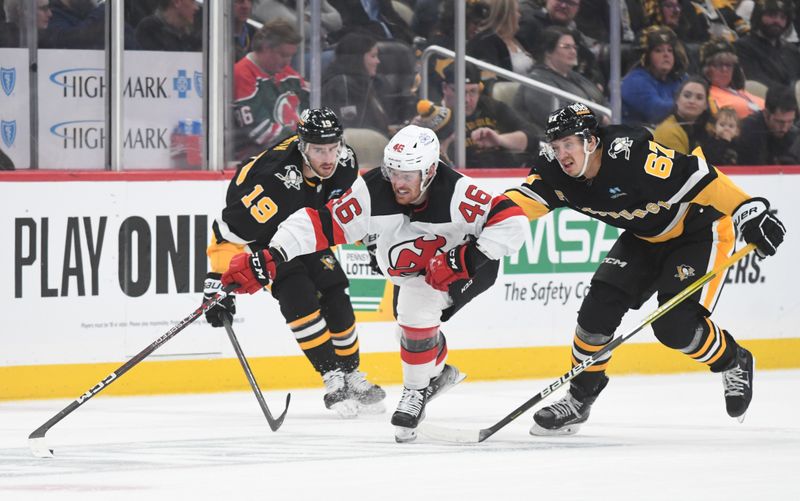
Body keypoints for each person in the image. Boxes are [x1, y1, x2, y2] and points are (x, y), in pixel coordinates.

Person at [220, 124, 528, 442]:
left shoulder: (458, 193)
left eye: (408, 174)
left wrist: (466, 259)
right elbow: (321, 223)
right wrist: (271, 256)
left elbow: (513, 221)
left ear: (431, 170)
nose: (397, 182)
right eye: (393, 172)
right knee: (409, 328)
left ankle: (416, 391)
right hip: (419, 272)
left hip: (471, 268)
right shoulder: (373, 191)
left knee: (415, 315)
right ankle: (436, 373)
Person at [504, 102, 786, 436]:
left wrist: (747, 208)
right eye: (556, 146)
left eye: (569, 144)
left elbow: (700, 177)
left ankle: (731, 359)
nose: (561, 154)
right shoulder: (554, 172)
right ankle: (579, 399)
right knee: (596, 312)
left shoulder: (633, 156)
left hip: (698, 229)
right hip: (645, 235)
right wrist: (475, 222)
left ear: (591, 141)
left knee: (674, 326)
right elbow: (515, 204)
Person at [203, 108, 386, 418]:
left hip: (308, 229)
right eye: (318, 150)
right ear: (302, 146)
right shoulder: (273, 185)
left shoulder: (345, 160)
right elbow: (225, 233)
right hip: (269, 236)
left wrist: (371, 242)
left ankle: (351, 375)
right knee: (297, 293)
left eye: (333, 147)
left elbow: (345, 211)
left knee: (336, 291)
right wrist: (216, 282)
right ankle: (332, 378)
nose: (328, 157)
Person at [233, 19, 309, 161]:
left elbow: (310, 106)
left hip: (292, 152)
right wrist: (302, 142)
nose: (288, 62)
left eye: (291, 56)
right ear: (266, 48)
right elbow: (258, 129)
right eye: (283, 55)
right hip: (258, 160)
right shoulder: (242, 74)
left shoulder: (288, 73)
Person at [440, 62, 538, 167]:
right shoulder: (434, 118)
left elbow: (532, 138)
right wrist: (447, 142)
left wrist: (499, 140)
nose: (467, 100)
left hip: (502, 174)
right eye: (459, 92)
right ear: (445, 88)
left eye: (473, 91)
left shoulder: (491, 107)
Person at [514, 26, 608, 132]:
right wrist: (601, 118)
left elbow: (601, 100)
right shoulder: (536, 83)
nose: (573, 52)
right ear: (548, 51)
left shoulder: (575, 77)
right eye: (566, 47)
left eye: (574, 47)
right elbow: (560, 118)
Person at [321, 32, 391, 136]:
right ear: (357, 58)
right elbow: (350, 129)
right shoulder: (341, 85)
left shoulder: (369, 83)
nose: (378, 61)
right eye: (373, 56)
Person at [621, 25, 688, 126]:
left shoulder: (681, 78)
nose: (666, 55)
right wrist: (691, 106)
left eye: (670, 50)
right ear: (646, 56)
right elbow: (657, 111)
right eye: (658, 50)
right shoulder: (634, 81)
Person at [733, 0, 800, 90]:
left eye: (783, 17)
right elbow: (757, 82)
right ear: (758, 16)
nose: (777, 21)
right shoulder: (743, 47)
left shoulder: (791, 50)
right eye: (772, 15)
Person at [467, 0, 534, 87]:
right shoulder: (485, 42)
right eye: (517, 11)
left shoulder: (518, 39)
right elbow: (490, 82)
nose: (520, 15)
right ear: (506, 15)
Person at [700, 38, 764, 120]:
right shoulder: (707, 95)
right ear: (707, 69)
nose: (724, 69)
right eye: (719, 64)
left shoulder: (741, 92)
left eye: (728, 65)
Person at [735, 85, 800, 164]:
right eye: (780, 122)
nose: (785, 129)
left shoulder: (794, 134)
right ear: (766, 114)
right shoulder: (748, 132)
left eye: (790, 121)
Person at [653, 76, 713, 154]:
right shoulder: (668, 131)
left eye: (699, 98)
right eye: (687, 96)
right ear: (677, 100)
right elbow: (680, 165)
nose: (692, 101)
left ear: (706, 105)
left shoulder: (709, 129)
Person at [135, 0, 202, 52]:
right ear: (177, 2)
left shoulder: (190, 37)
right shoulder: (149, 29)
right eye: (192, 1)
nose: (196, 8)